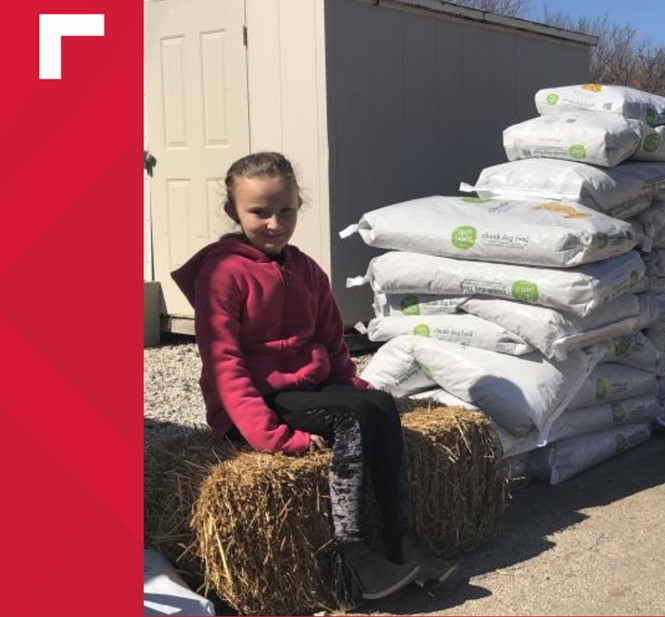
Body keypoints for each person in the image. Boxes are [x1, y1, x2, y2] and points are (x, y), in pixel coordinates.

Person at [171, 152, 456, 604]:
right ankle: (353, 557)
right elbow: (224, 365)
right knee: (350, 419)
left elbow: (333, 343)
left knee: (376, 404)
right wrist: (272, 437)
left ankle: (402, 541)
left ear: (298, 205)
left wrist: (359, 388)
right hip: (262, 403)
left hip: (309, 389)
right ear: (233, 212)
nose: (274, 223)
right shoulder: (222, 274)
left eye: (286, 210)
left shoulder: (305, 269)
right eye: (259, 212)